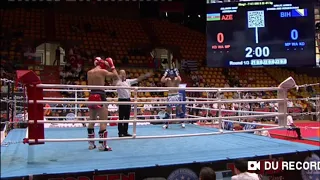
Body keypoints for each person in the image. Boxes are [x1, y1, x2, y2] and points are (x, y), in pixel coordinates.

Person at [86, 57, 118, 151]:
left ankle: (91, 144)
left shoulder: (89, 72)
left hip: (91, 95)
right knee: (103, 121)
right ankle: (103, 145)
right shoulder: (102, 71)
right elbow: (115, 76)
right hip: (100, 95)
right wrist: (112, 66)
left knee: (92, 120)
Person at [114, 70, 152, 137]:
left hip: (128, 100)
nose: (123, 75)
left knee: (127, 117)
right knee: (121, 117)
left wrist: (145, 75)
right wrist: (118, 78)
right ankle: (120, 133)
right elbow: (114, 83)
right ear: (119, 74)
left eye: (124, 74)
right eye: (122, 74)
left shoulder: (128, 81)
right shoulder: (117, 82)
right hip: (121, 100)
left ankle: (125, 132)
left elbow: (138, 79)